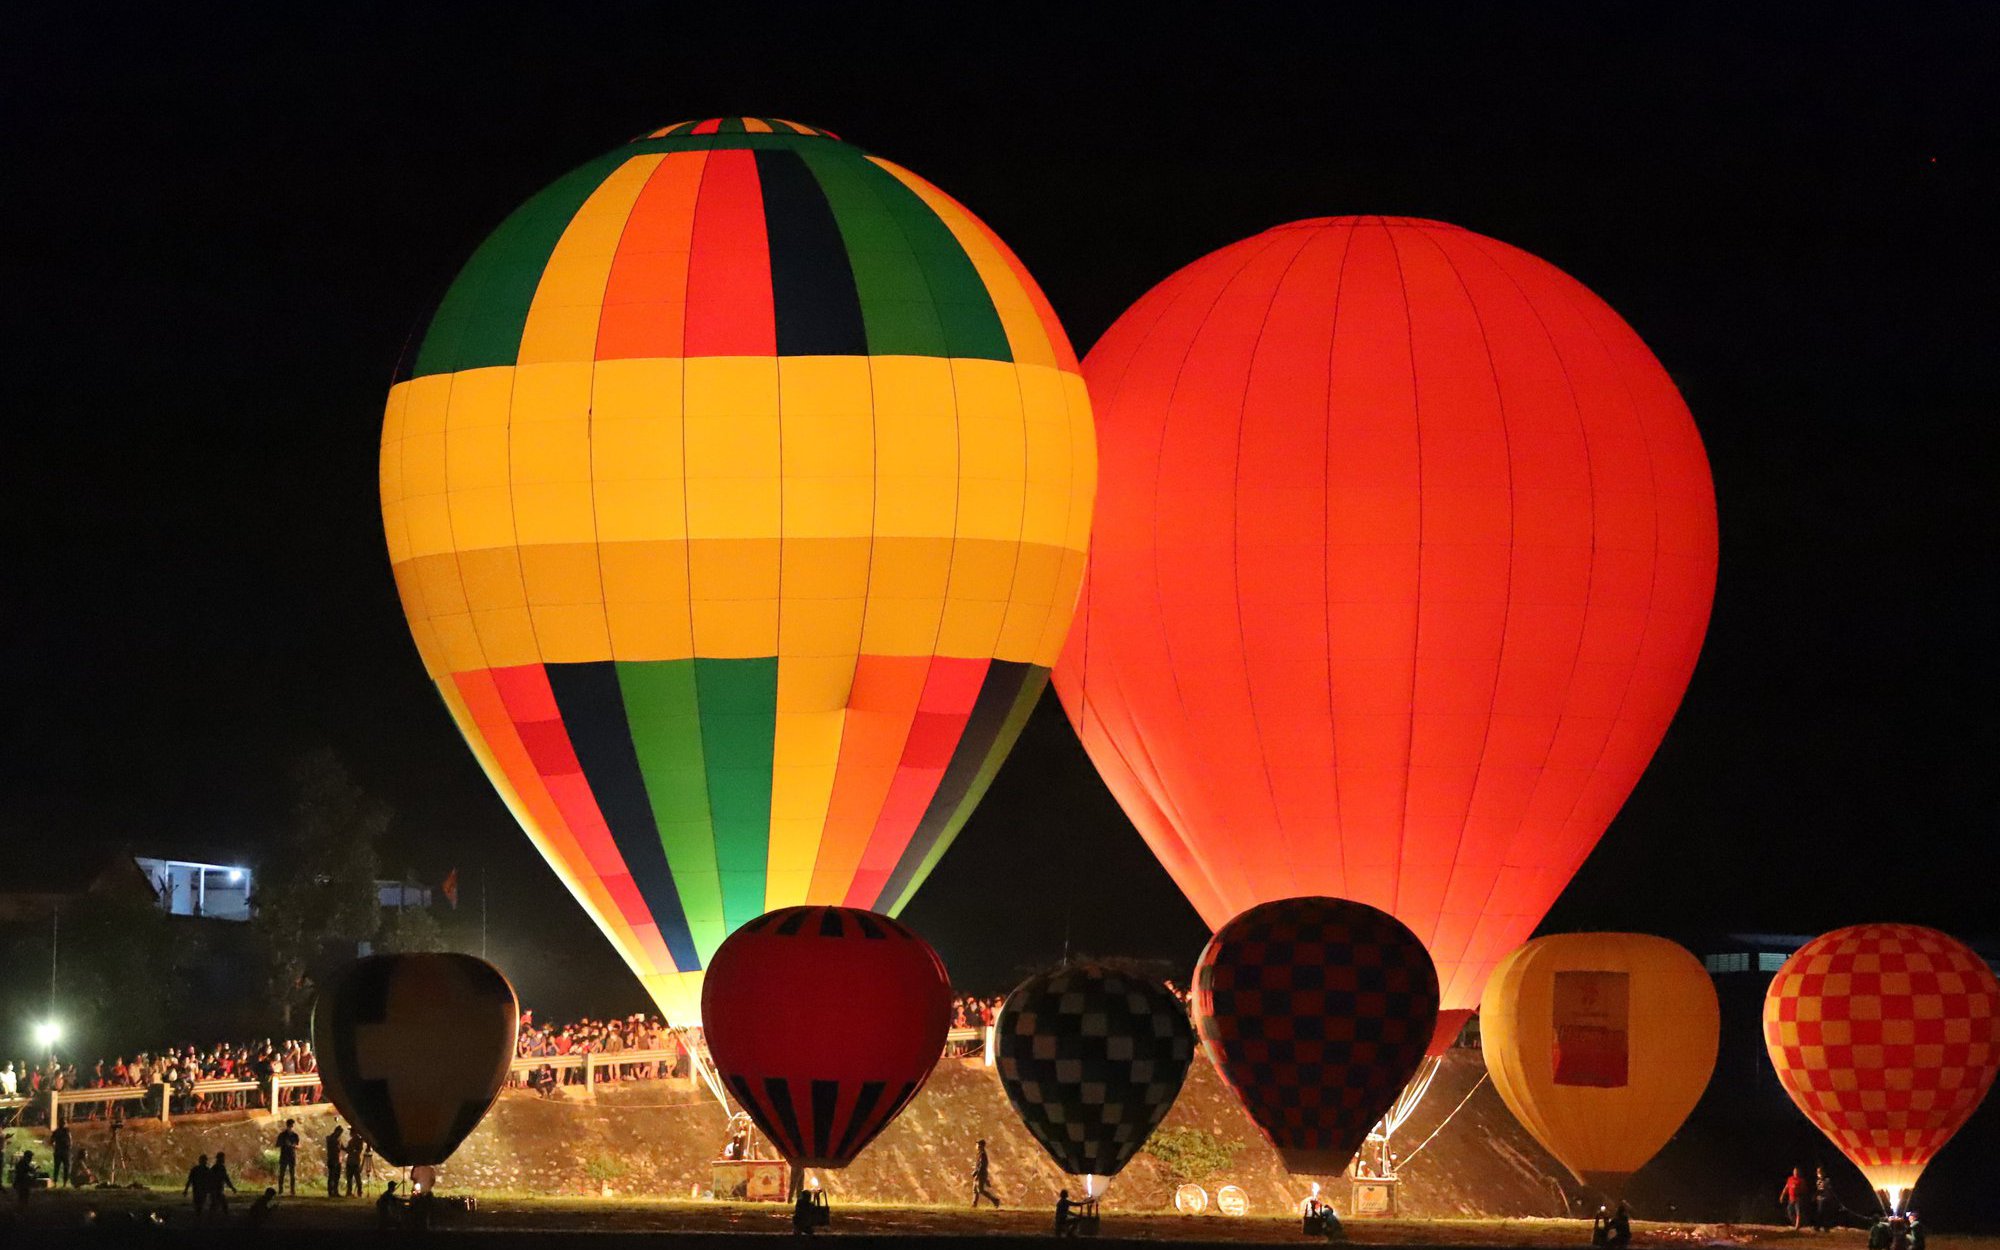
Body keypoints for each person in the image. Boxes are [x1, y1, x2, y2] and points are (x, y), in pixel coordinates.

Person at [970, 1138, 1000, 1209]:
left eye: (977, 1144)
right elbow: (979, 1164)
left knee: (980, 1190)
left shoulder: (982, 1154)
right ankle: (974, 1204)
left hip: (981, 1174)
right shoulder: (980, 1153)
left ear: (980, 1145)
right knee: (975, 1190)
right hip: (980, 1173)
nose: (976, 1146)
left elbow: (982, 1165)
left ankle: (995, 1200)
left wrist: (976, 1172)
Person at [208, 1150, 238, 1217]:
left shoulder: (217, 1167)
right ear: (220, 1158)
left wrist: (232, 1187)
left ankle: (211, 1218)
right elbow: (225, 1178)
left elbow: (225, 1178)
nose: (224, 1159)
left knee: (217, 1205)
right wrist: (232, 1188)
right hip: (216, 1190)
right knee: (219, 1205)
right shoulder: (218, 1168)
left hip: (217, 1190)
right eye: (223, 1158)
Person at [274, 1118, 300, 1195]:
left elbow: (298, 1146)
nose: (292, 1127)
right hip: (285, 1156)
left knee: (292, 1174)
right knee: (282, 1173)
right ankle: (281, 1190)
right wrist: (284, 1143)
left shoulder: (295, 1135)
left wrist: (292, 1145)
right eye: (291, 1125)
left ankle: (292, 1190)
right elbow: (277, 1144)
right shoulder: (282, 1135)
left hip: (291, 1155)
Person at [344, 1132, 368, 1196]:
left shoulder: (356, 1141)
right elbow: (349, 1150)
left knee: (352, 1179)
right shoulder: (358, 1141)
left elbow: (349, 1150)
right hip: (353, 1162)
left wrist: (345, 1148)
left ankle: (352, 1192)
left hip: (352, 1162)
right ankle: (357, 1192)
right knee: (356, 1179)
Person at [324, 1124, 345, 1197]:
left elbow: (342, 1147)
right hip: (332, 1159)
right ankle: (331, 1192)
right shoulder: (331, 1139)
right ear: (336, 1131)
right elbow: (335, 1148)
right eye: (339, 1133)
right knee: (332, 1176)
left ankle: (335, 1191)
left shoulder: (338, 1139)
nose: (340, 1134)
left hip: (338, 1159)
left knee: (337, 1176)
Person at [49, 1121, 71, 1186]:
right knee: (65, 1167)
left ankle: (56, 1182)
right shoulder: (67, 1131)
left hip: (59, 1151)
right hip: (64, 1151)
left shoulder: (57, 1131)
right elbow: (70, 1140)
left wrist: (54, 1146)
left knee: (57, 1167)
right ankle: (64, 1183)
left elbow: (51, 1141)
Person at [1813, 1167, 1832, 1232]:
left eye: (1820, 1172)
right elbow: (1818, 1189)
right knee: (1819, 1212)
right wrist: (1815, 1196)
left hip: (1826, 1198)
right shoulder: (1818, 1180)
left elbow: (1828, 1189)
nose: (1818, 1173)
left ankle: (1825, 1227)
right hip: (1820, 1199)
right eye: (1817, 1172)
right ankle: (1819, 1226)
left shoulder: (1827, 1180)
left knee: (1824, 1213)